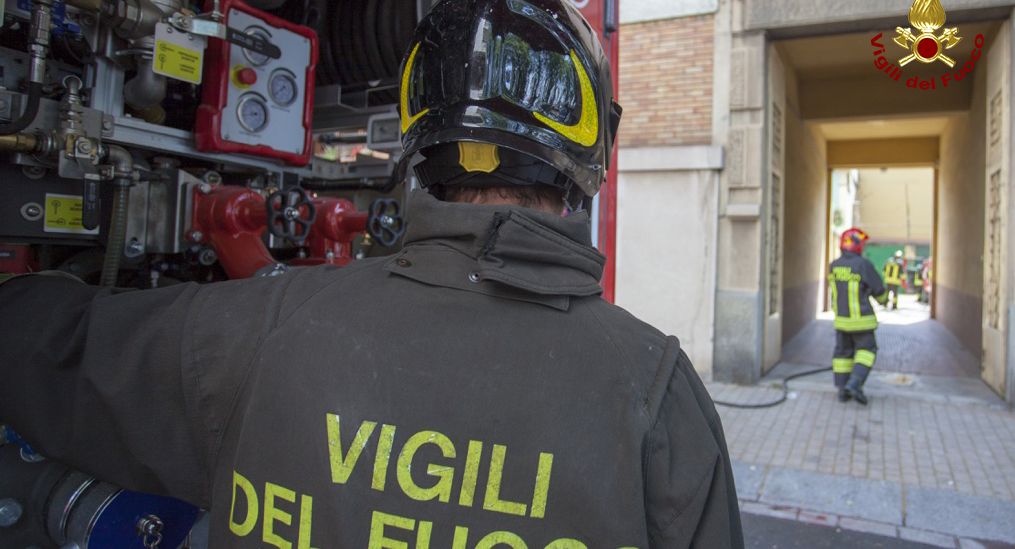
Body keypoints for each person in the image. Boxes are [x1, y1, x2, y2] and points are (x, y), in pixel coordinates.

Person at [0, 0, 743, 546]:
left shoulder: (250, 332)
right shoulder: (657, 394)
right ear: (591, 150)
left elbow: (38, 346)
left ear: (418, 133)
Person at [829, 228, 889, 404]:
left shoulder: (834, 265)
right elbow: (879, 290)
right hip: (861, 321)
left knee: (842, 355)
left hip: (841, 321)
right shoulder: (863, 265)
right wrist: (884, 300)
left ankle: (842, 391)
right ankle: (855, 383)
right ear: (857, 245)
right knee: (867, 351)